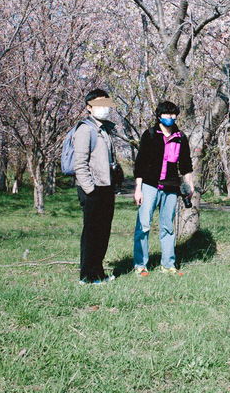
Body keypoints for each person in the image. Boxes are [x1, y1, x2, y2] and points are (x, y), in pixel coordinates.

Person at [132, 100, 195, 276]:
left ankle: (168, 264)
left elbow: (186, 164)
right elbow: (141, 164)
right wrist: (138, 189)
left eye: (173, 114)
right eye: (167, 114)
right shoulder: (150, 134)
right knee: (143, 225)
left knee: (168, 226)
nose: (171, 117)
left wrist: (189, 184)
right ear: (159, 115)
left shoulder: (180, 137)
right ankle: (140, 264)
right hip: (150, 185)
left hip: (170, 187)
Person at [74, 89, 121, 284]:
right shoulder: (86, 129)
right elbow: (80, 163)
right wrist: (90, 189)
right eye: (98, 105)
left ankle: (98, 273)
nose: (104, 108)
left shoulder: (105, 130)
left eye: (106, 104)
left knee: (103, 233)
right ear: (88, 107)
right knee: (92, 233)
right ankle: (87, 276)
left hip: (106, 187)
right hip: (93, 189)